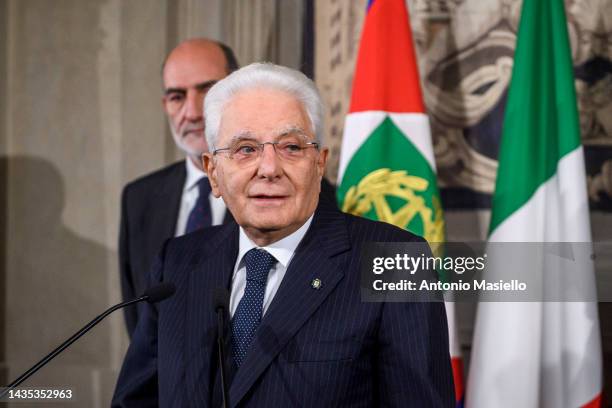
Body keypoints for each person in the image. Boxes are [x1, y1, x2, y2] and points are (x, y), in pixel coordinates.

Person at [112, 63, 454, 407]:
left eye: (291, 147)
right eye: (245, 149)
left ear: (319, 164)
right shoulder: (177, 263)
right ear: (213, 173)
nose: (270, 168)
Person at [118, 39, 238, 337]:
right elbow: (140, 326)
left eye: (207, 90)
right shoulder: (139, 199)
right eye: (177, 96)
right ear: (166, 106)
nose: (193, 112)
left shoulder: (280, 189)